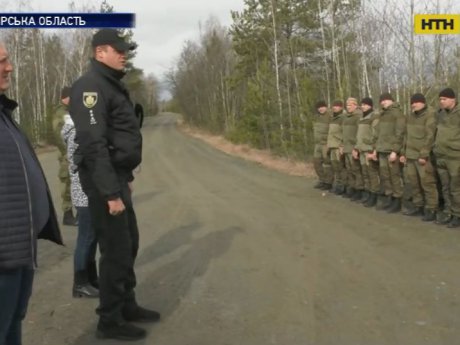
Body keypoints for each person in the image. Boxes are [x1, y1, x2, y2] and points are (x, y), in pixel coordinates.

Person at [69, 29, 160, 341]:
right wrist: (110, 193)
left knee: (129, 243)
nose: (124, 54)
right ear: (99, 52)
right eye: (117, 50)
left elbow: (117, 137)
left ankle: (126, 305)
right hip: (102, 183)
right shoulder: (90, 87)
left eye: (125, 50)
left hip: (118, 178)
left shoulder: (111, 85)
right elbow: (94, 146)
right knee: (116, 250)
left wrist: (126, 180)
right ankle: (109, 320)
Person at [0, 42, 63, 345]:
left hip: (19, 252)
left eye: (8, 59)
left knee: (13, 325)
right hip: (3, 257)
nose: (9, 67)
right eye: (2, 61)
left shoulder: (4, 115)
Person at [61, 114, 99, 298]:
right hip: (84, 193)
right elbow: (86, 159)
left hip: (85, 191)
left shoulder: (75, 128)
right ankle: (80, 283)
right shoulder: (77, 131)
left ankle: (91, 279)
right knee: (86, 238)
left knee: (91, 238)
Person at [399, 93, 438, 221]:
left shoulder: (429, 115)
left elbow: (430, 136)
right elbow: (406, 136)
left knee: (427, 183)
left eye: (415, 102)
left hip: (422, 156)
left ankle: (432, 208)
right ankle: (418, 205)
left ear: (423, 102)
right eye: (411, 103)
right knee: (414, 183)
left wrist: (424, 154)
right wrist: (403, 152)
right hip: (410, 155)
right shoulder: (410, 117)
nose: (413, 105)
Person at [368, 92, 405, 213]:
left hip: (391, 150)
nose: (383, 102)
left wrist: (395, 151)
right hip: (381, 150)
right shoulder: (382, 115)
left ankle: (397, 199)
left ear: (391, 101)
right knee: (385, 175)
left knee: (394, 176)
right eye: (381, 101)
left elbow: (400, 134)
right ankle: (389, 197)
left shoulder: (397, 114)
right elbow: (377, 134)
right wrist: (374, 149)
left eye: (385, 100)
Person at [433, 88, 460, 228]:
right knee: (445, 186)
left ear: (453, 99)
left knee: (455, 187)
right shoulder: (440, 114)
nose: (441, 102)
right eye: (440, 99)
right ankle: (448, 211)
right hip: (441, 156)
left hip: (455, 157)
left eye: (444, 99)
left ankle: (457, 214)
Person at [52, 87, 78, 226]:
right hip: (67, 156)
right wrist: (67, 152)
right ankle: (67, 215)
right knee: (68, 183)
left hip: (74, 153)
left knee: (78, 184)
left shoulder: (70, 111)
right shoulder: (61, 113)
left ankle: (81, 213)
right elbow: (58, 135)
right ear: (65, 98)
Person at [356, 97, 380, 207]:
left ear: (370, 105)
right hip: (361, 149)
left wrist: (373, 149)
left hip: (369, 149)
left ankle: (374, 195)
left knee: (372, 173)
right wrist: (356, 148)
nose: (363, 106)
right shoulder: (362, 118)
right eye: (362, 105)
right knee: (365, 173)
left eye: (366, 104)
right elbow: (359, 136)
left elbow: (376, 134)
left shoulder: (374, 117)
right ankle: (368, 193)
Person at [343, 97, 363, 200]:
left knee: (356, 170)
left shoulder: (358, 116)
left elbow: (360, 134)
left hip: (353, 147)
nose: (348, 107)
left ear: (355, 105)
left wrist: (356, 148)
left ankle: (359, 190)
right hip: (346, 147)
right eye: (347, 105)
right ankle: (352, 188)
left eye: (350, 105)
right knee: (349, 169)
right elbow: (344, 133)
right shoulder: (346, 117)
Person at [327, 100, 346, 195]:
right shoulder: (332, 118)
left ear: (341, 107)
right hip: (332, 146)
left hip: (338, 146)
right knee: (335, 167)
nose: (334, 107)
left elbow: (345, 133)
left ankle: (343, 186)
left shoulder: (343, 117)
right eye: (333, 106)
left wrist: (342, 145)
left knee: (341, 167)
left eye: (337, 106)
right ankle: (338, 185)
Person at [312, 100, 333, 190]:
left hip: (326, 144)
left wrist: (330, 143)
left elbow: (333, 131)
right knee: (316, 162)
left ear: (326, 106)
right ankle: (322, 180)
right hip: (317, 144)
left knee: (327, 164)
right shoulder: (317, 116)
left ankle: (329, 182)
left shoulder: (330, 115)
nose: (320, 109)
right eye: (319, 107)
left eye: (322, 107)